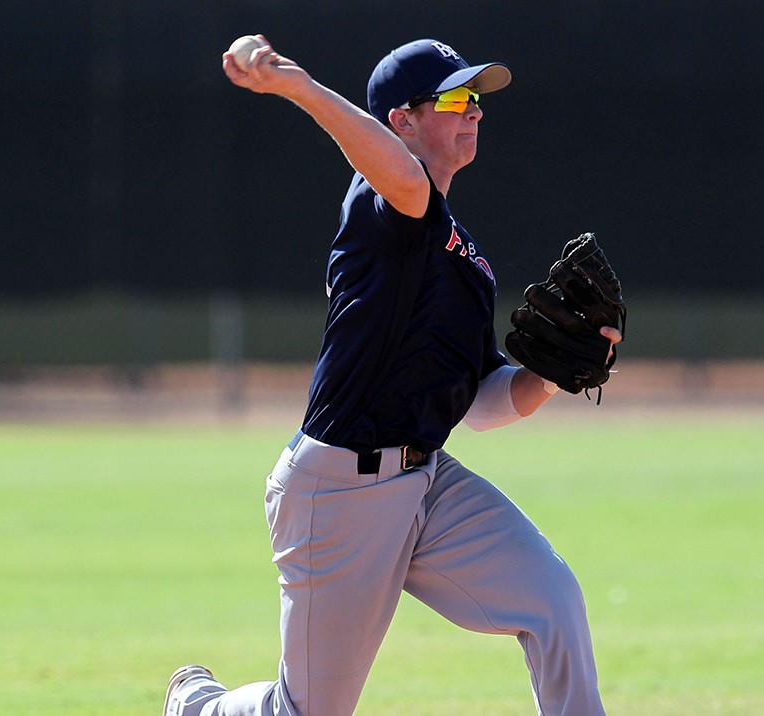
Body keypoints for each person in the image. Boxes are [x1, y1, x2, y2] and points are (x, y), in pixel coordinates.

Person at [164, 36, 619, 716]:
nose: (475, 112)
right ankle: (200, 707)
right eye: (457, 98)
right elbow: (403, 181)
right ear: (400, 121)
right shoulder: (381, 208)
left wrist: (557, 372)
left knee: (551, 598)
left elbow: (485, 403)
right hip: (340, 490)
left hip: (427, 481)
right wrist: (298, 86)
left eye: (477, 100)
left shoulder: (466, 260)